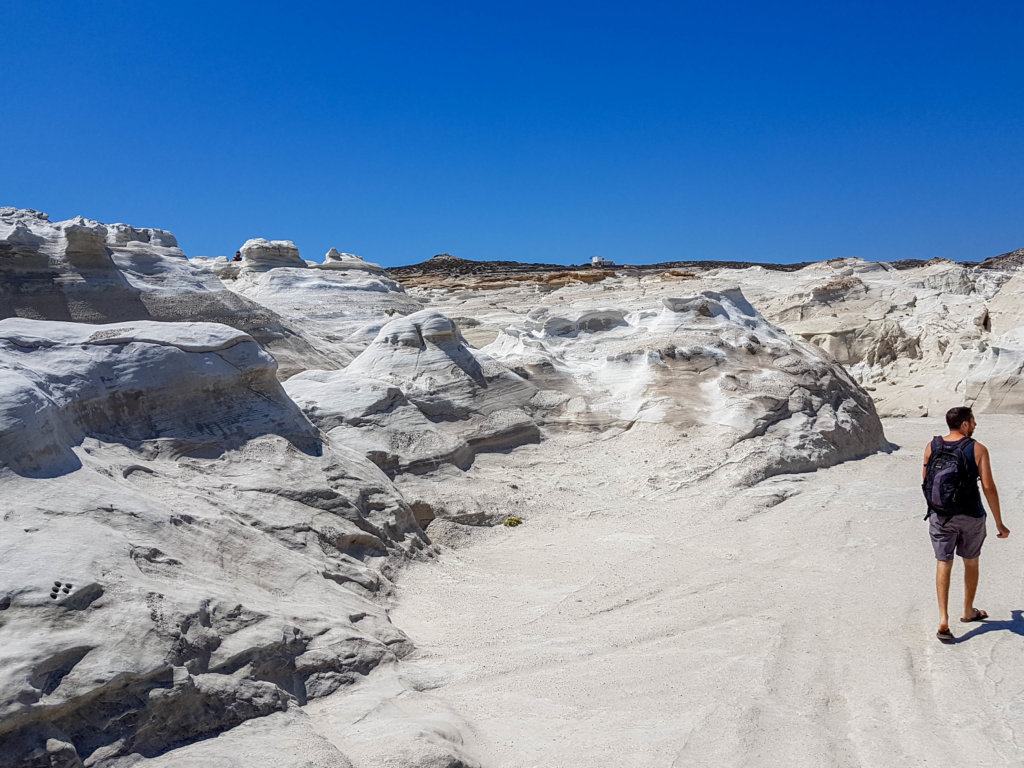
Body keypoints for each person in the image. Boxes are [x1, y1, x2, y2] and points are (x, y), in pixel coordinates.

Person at [923, 406, 1009, 643]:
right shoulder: (978, 449)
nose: (975, 425)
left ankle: (943, 618)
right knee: (971, 561)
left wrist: (936, 510)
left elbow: (926, 481)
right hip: (971, 515)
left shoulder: (932, 446)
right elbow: (989, 487)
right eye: (973, 422)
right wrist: (999, 523)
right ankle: (968, 611)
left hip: (940, 516)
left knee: (944, 562)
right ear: (964, 424)